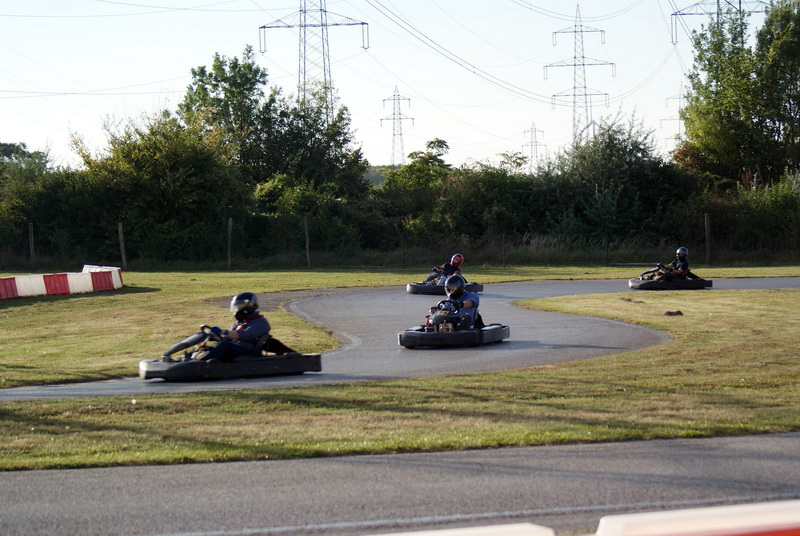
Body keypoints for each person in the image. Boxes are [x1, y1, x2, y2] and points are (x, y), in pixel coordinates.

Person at [203, 291, 295, 362]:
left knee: (224, 345)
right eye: (236, 307)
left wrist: (224, 332)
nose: (237, 310)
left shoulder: (260, 322)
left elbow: (247, 335)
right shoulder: (239, 323)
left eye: (239, 307)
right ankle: (197, 360)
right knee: (213, 346)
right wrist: (216, 337)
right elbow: (228, 338)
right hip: (235, 346)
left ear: (248, 307)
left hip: (248, 348)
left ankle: (202, 364)